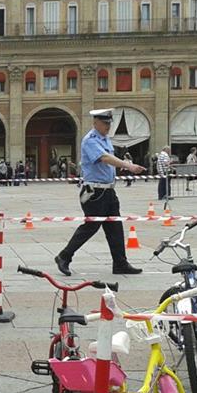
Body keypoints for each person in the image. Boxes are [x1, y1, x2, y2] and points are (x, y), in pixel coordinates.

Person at [55, 109, 145, 277]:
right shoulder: (90, 140)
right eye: (105, 123)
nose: (108, 126)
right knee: (91, 226)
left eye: (109, 123)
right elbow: (104, 158)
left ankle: (120, 263)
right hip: (94, 192)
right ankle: (64, 256)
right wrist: (128, 165)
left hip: (108, 190)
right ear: (95, 123)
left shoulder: (105, 140)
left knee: (115, 228)